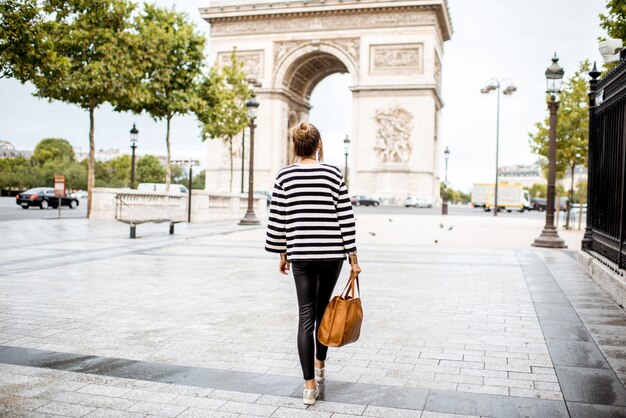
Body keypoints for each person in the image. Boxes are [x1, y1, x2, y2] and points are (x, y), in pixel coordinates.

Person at [265, 121, 361, 405]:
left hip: (302, 255)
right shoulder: (333, 173)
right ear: (318, 145)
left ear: (294, 146)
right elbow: (346, 218)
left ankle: (309, 387)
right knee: (322, 312)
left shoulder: (284, 177)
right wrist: (353, 258)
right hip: (332, 255)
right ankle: (320, 366)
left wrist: (282, 253)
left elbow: (277, 219)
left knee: (305, 317)